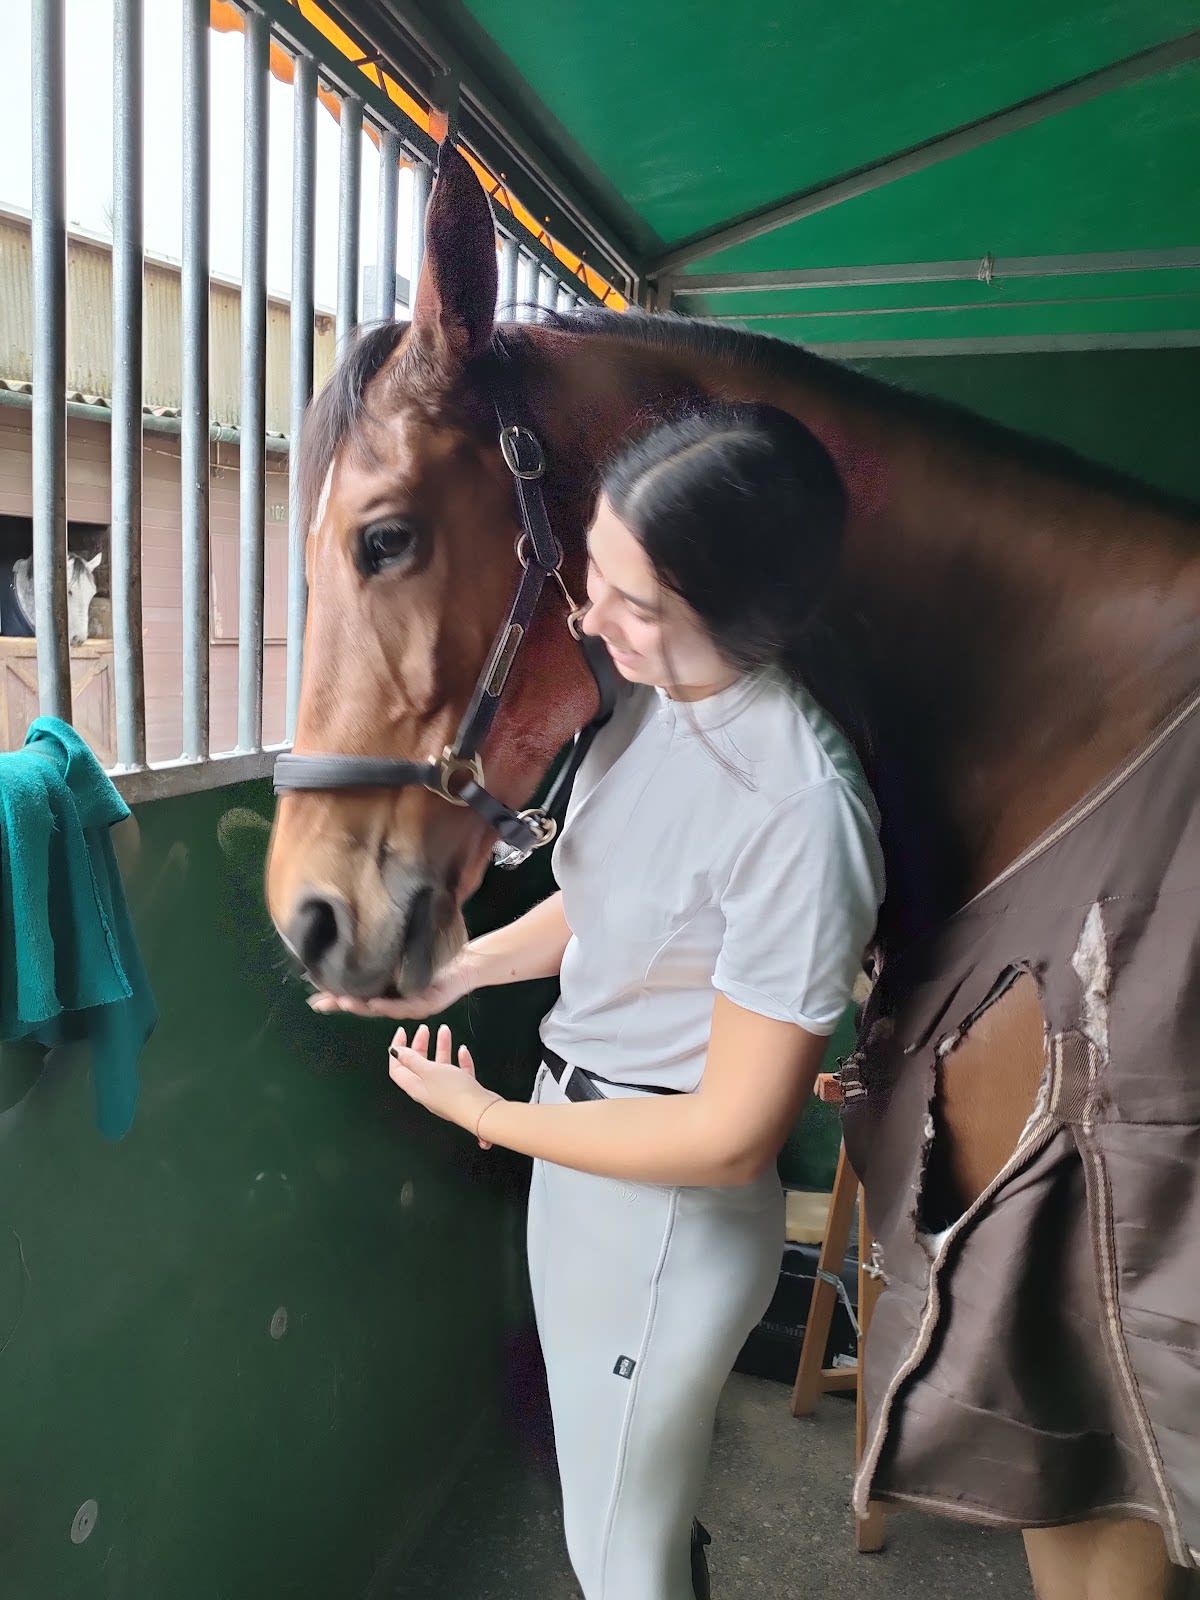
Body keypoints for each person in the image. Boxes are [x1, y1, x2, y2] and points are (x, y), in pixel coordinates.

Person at [314, 402, 885, 1600]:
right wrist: (460, 969)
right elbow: (607, 897)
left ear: (740, 615)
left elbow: (731, 1136)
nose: (588, 616)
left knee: (618, 1555)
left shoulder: (798, 806)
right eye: (594, 571)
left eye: (634, 601)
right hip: (578, 1159)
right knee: (616, 1509)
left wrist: (485, 1114)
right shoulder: (650, 699)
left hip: (664, 1213)